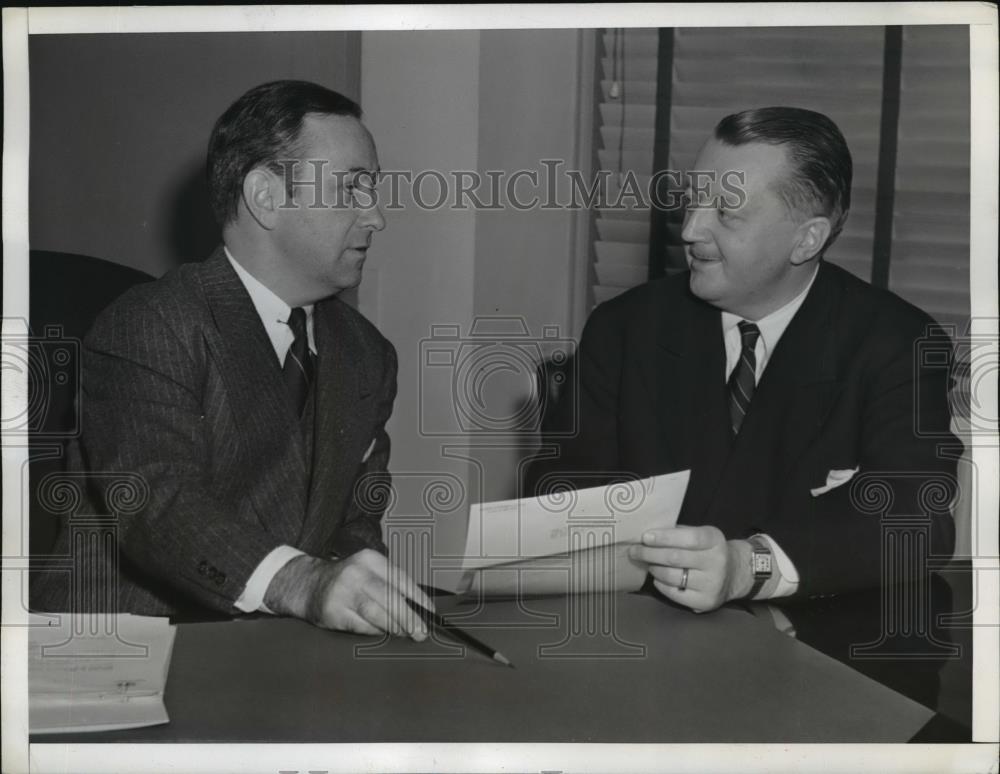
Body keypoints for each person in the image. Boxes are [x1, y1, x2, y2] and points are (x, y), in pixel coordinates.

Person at [32, 80, 432, 640]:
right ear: (265, 197)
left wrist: (368, 603)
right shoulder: (151, 324)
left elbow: (354, 527)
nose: (376, 217)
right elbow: (157, 504)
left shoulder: (366, 353)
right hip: (121, 657)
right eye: (351, 190)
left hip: (278, 662)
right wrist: (305, 584)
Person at [528, 107, 958, 613]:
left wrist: (746, 565)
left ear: (806, 239)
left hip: (809, 656)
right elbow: (557, 493)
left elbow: (916, 520)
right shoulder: (625, 327)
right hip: (644, 635)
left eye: (725, 212)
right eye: (692, 203)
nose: (690, 230)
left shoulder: (896, 341)